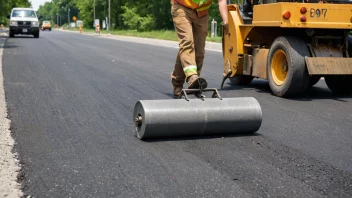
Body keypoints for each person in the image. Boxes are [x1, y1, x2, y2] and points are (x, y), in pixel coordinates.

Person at [170, 0, 229, 98]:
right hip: (182, 7)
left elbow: (221, 0)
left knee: (199, 50)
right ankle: (192, 77)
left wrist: (226, 21)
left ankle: (186, 83)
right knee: (187, 43)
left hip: (201, 13)